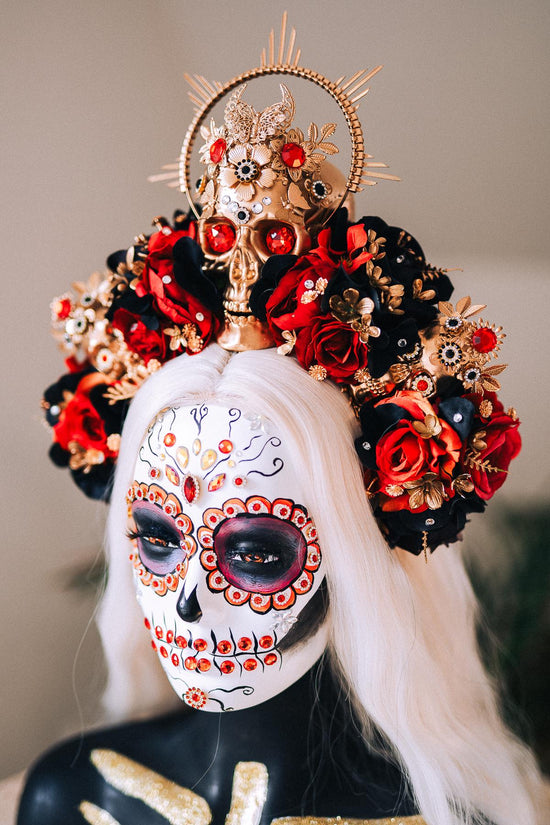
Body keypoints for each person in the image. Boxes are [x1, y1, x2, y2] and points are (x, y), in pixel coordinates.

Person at [21, 24, 544, 825]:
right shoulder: (73, 794)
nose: (189, 603)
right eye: (158, 539)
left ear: (353, 557)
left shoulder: (445, 816)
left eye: (257, 550)